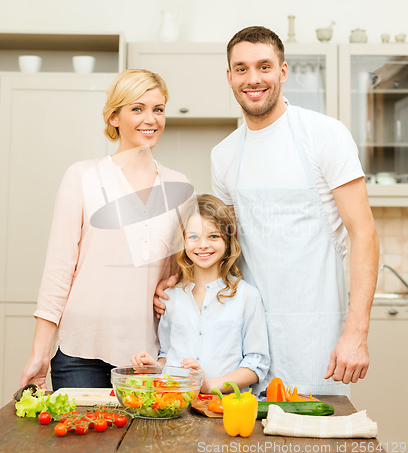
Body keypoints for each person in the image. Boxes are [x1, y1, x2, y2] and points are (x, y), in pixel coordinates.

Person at [155, 27, 379, 396]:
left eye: (264, 66)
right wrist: (178, 280)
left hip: (315, 334)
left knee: (311, 443)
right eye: (241, 69)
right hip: (242, 341)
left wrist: (356, 332)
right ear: (229, 77)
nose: (253, 78)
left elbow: (364, 233)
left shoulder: (323, 135)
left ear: (283, 71)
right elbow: (227, 243)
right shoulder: (224, 154)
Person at [20, 69, 193, 390]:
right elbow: (59, 270)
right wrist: (39, 352)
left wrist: (173, 284)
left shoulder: (180, 187)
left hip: (146, 356)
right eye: (137, 109)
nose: (150, 119)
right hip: (78, 352)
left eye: (158, 109)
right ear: (114, 117)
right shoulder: (82, 177)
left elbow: (182, 268)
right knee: (80, 441)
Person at [133, 194, 269, 393]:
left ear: (228, 239)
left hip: (225, 407)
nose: (203, 245)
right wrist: (154, 366)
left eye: (213, 236)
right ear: (183, 241)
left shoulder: (247, 296)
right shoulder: (170, 296)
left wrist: (210, 386)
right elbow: (168, 353)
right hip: (177, 404)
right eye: (193, 237)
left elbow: (256, 365)